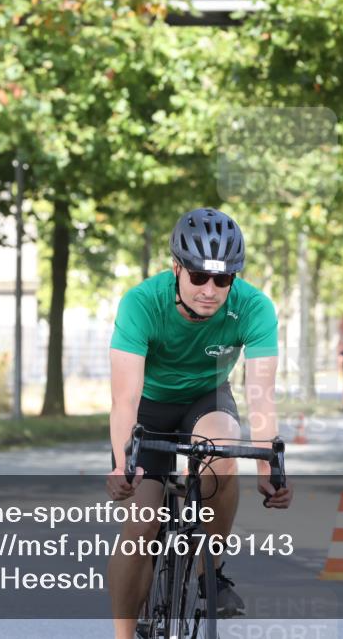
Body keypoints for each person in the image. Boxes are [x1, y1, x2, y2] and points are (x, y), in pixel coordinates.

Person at [105, 207, 293, 639]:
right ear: (177, 269)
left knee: (222, 448)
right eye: (198, 277)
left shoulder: (254, 307)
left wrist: (268, 469)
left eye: (223, 279)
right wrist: (122, 463)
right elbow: (125, 397)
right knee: (141, 523)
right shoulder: (142, 302)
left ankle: (213, 572)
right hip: (149, 409)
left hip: (206, 397)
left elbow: (261, 392)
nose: (210, 290)